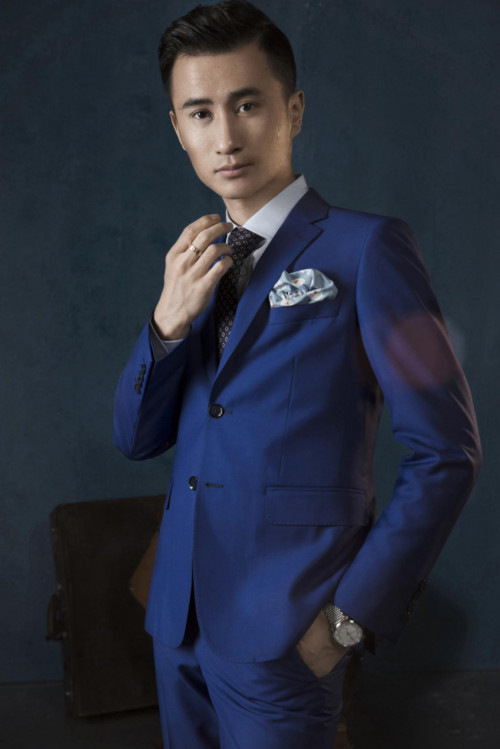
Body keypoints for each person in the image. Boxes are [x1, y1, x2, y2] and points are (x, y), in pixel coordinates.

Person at [113, 1, 482, 746]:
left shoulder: (370, 249)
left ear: (294, 109)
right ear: (178, 128)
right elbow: (136, 440)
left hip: (289, 634)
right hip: (177, 621)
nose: (225, 136)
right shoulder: (194, 264)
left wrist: (346, 622)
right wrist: (166, 324)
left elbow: (448, 452)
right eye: (201, 112)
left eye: (247, 104)